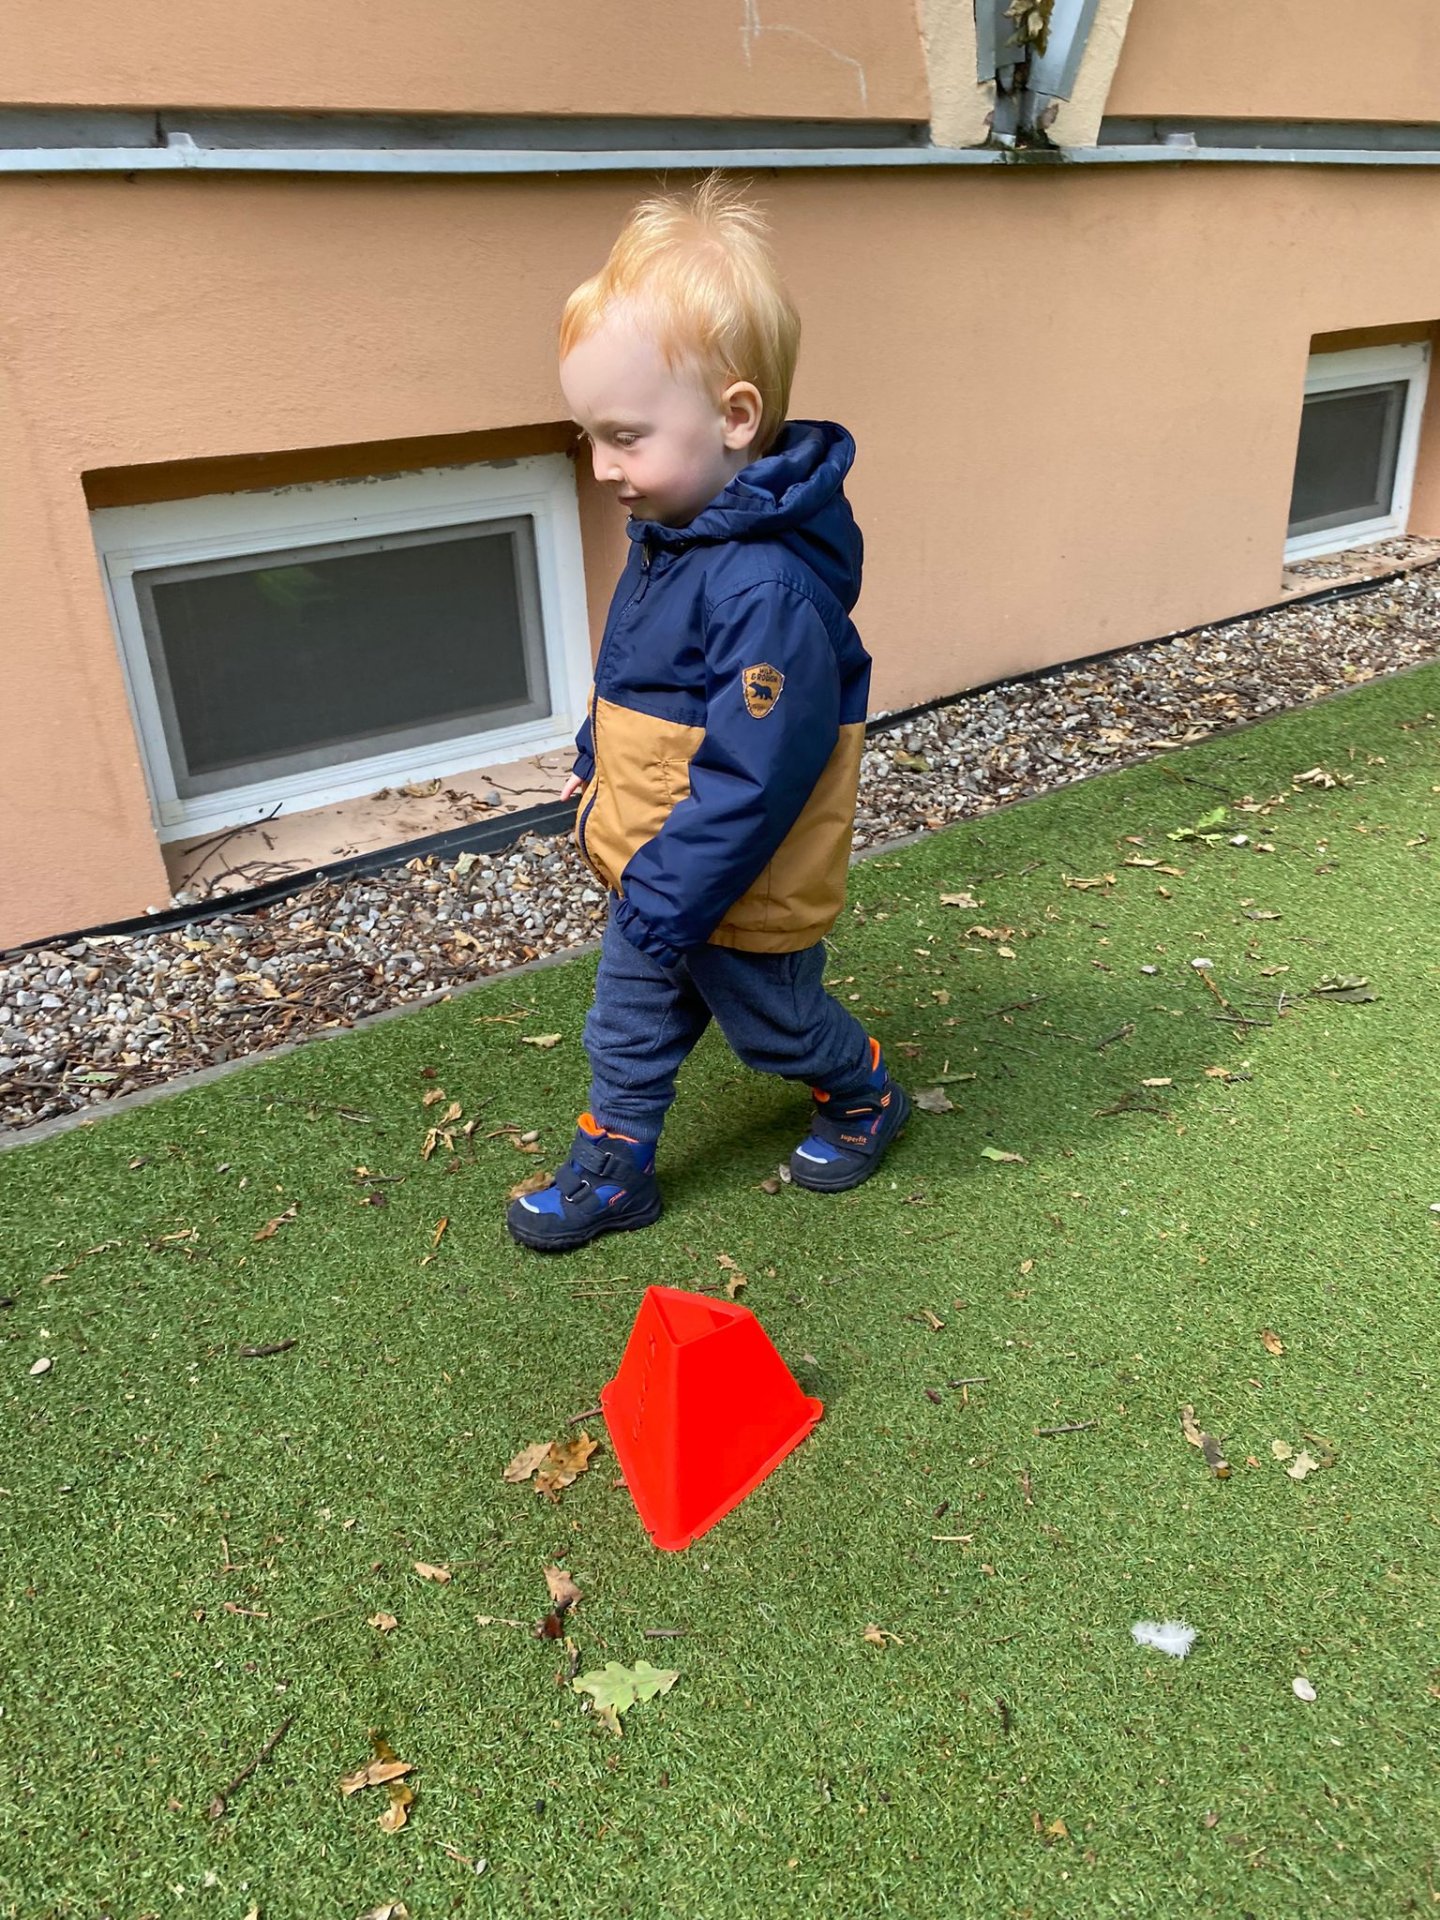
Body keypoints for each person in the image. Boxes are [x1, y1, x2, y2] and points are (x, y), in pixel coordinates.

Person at [507, 175, 909, 1252]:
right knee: (628, 1023)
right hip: (665, 866)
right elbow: (642, 677)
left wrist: (665, 891)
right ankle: (614, 1170)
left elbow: (756, 777)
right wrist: (595, 752)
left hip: (737, 883)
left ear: (735, 418)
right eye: (590, 436)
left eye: (624, 436)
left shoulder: (765, 589)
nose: (602, 467)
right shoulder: (677, 535)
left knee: (777, 1027)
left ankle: (864, 1091)